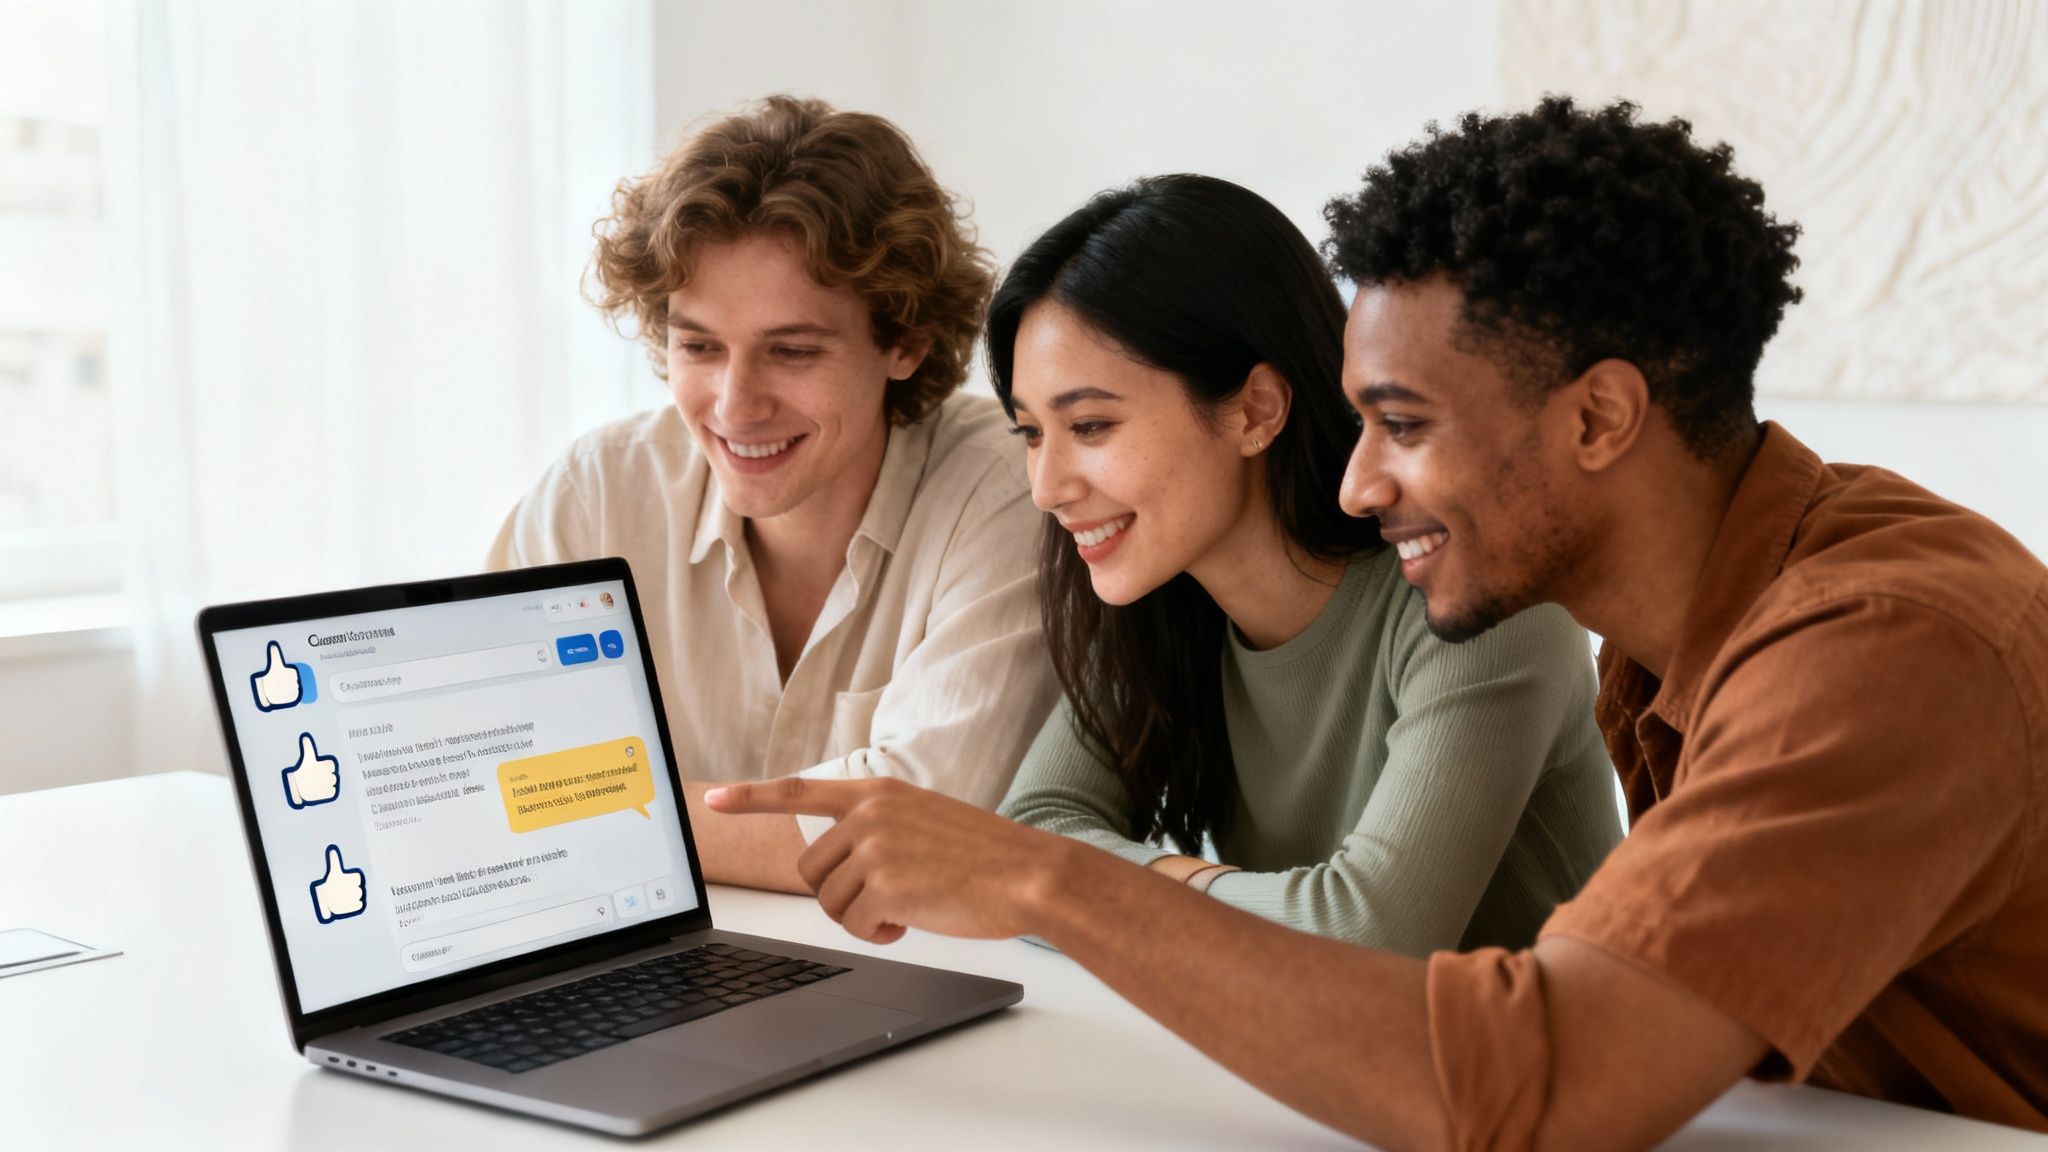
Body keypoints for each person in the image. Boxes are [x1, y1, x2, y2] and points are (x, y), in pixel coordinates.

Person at [708, 96, 2048, 1147]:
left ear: (1599, 419)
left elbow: (1533, 1085)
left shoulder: (1879, 647)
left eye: (1402, 426)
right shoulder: (1688, 620)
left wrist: (1049, 879)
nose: (1354, 482)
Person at [988, 174, 1618, 951]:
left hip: (1512, 1066)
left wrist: (1123, 885)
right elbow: (1024, 841)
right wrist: (1197, 894)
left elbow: (1365, 934)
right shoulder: (1163, 602)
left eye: (1089, 425)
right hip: (1302, 1062)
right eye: (1030, 433)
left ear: (1255, 409)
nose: (1047, 488)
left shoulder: (1477, 606)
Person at [490, 95, 1059, 893]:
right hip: (663, 977)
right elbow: (497, 777)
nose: (734, 405)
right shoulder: (597, 494)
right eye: (699, 346)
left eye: (791, 351)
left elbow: (930, 831)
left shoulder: (1009, 490)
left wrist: (604, 810)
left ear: (904, 341)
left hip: (926, 980)